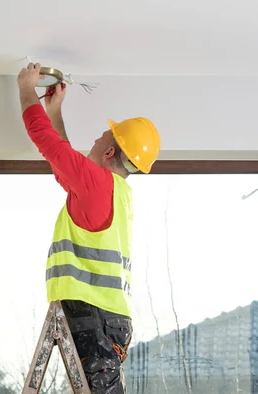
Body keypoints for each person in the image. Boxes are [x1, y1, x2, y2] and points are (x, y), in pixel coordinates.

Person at [17, 63, 161, 393]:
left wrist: (26, 89)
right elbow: (63, 165)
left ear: (109, 151)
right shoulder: (115, 192)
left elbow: (49, 145)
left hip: (92, 316)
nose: (95, 138)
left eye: (102, 137)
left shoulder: (98, 185)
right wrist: (55, 113)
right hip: (106, 319)